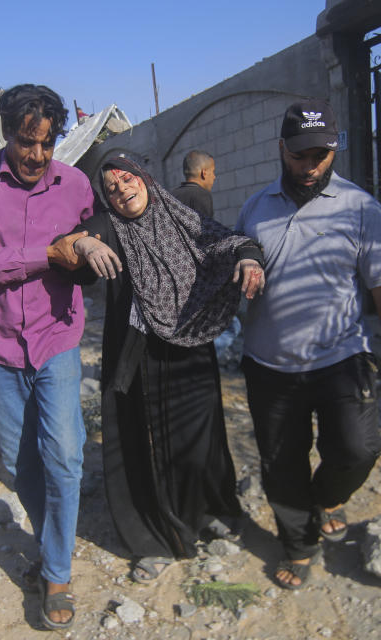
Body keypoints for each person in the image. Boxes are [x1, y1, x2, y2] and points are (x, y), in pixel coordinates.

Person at [236, 98, 381, 590]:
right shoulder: (254, 209)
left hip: (341, 356)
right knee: (281, 463)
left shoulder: (361, 207)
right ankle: (298, 545)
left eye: (321, 154)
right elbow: (233, 266)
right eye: (300, 155)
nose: (310, 166)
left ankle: (327, 497)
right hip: (269, 364)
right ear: (281, 149)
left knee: (359, 449)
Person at [63, 156, 265, 583]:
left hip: (189, 345)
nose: (121, 190)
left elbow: (228, 240)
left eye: (127, 179)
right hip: (138, 356)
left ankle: (209, 511)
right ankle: (152, 536)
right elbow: (71, 242)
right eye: (112, 187)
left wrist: (248, 260)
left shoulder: (181, 215)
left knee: (200, 435)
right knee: (144, 443)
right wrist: (86, 244)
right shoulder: (109, 226)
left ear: (145, 179)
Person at [0, 84, 93, 631]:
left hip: (57, 336)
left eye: (47, 143)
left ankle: (56, 572)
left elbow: (94, 234)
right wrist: (44, 255)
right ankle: (50, 533)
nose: (35, 156)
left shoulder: (76, 184)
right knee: (18, 462)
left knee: (65, 455)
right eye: (25, 143)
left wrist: (83, 250)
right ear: (6, 133)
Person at [170, 150, 216, 219]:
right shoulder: (202, 195)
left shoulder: (172, 195)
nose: (214, 177)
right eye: (213, 171)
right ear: (204, 173)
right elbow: (206, 227)